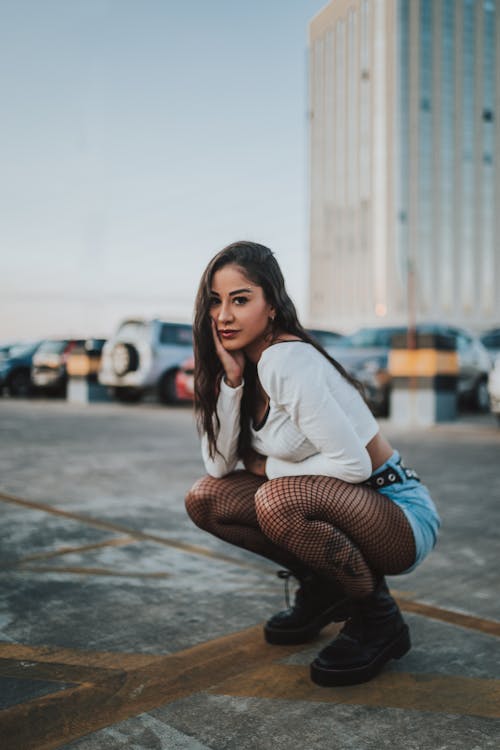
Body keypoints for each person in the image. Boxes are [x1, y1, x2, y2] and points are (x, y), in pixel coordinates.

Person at [185, 241, 440, 687]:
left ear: (272, 307)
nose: (223, 315)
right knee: (206, 499)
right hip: (343, 507)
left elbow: (354, 466)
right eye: (215, 301)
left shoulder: (288, 360)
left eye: (240, 299)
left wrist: (268, 471)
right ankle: (325, 587)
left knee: (278, 499)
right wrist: (229, 381)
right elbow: (219, 467)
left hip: (396, 509)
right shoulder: (246, 368)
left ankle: (378, 617)